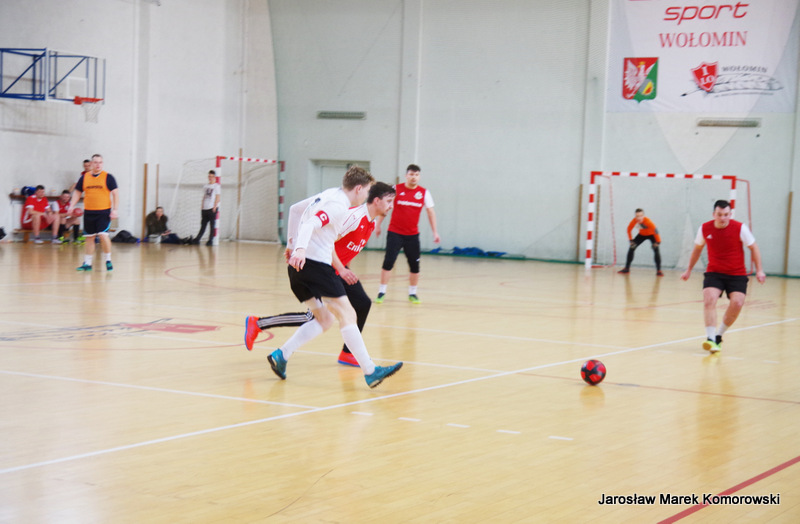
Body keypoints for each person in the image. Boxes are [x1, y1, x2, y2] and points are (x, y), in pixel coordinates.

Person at [258, 166, 403, 388]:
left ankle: (281, 355)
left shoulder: (328, 194)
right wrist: (299, 249)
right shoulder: (340, 206)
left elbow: (296, 210)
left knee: (324, 319)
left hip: (299, 268)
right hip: (315, 264)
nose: (368, 195)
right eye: (367, 191)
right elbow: (310, 223)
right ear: (358, 188)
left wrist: (291, 244)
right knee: (348, 314)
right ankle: (370, 371)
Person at [680, 200, 766, 353]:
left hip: (737, 273)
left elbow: (754, 247)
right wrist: (688, 270)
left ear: (730, 214)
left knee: (737, 303)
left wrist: (759, 270)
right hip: (714, 272)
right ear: (714, 214)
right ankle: (710, 338)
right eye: (719, 215)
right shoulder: (704, 228)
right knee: (709, 299)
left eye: (726, 215)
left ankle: (718, 336)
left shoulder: (740, 228)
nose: (722, 218)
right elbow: (697, 249)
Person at [375, 164, 440, 304]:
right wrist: (378, 225)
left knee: (414, 265)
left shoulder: (424, 193)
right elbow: (385, 207)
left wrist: (435, 232)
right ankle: (381, 292)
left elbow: (431, 212)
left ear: (419, 176)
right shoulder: (396, 189)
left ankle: (413, 293)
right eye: (411, 174)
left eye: (416, 175)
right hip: (395, 233)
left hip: (412, 236)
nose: (413, 177)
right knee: (388, 262)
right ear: (406, 176)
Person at [68, 154, 119, 271]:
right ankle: (87, 263)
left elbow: (115, 194)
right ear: (91, 164)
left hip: (103, 212)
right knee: (89, 238)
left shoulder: (108, 177)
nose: (98, 165)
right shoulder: (84, 177)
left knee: (103, 235)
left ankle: (108, 260)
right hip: (89, 212)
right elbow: (77, 192)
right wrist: (71, 205)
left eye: (100, 162)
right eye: (95, 162)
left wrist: (115, 210)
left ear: (102, 163)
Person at [618, 208, 663, 276]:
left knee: (656, 249)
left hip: (652, 235)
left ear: (643, 216)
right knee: (632, 247)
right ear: (635, 216)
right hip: (642, 235)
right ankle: (627, 269)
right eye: (637, 216)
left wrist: (658, 242)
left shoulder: (648, 222)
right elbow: (628, 229)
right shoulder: (634, 221)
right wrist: (630, 240)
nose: (639, 218)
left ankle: (659, 271)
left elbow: (656, 231)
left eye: (641, 216)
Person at [194, 170, 220, 246]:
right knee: (203, 225)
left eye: (212, 176)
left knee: (212, 225)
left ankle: (210, 240)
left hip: (212, 208)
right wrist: (202, 206)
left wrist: (215, 206)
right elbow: (204, 196)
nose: (210, 178)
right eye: (209, 176)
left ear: (214, 177)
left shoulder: (216, 186)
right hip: (204, 208)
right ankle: (197, 239)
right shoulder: (205, 186)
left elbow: (218, 197)